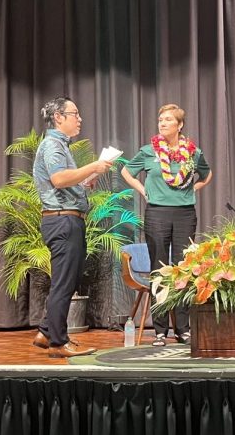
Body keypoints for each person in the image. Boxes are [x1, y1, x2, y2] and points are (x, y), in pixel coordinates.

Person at [121, 104, 212, 345]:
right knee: (159, 269)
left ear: (179, 125)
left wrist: (194, 188)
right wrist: (143, 190)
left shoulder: (193, 152)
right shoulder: (149, 151)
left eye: (168, 119)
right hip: (157, 214)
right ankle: (160, 330)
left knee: (183, 269)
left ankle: (183, 329)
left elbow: (206, 173)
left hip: (184, 214)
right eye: (160, 119)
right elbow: (126, 172)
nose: (162, 123)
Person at [30, 97, 113, 358]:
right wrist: (93, 166)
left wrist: (86, 181)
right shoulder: (53, 145)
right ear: (58, 117)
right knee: (64, 282)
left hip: (68, 218)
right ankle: (57, 342)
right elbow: (59, 178)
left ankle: (46, 331)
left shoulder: (60, 146)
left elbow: (66, 182)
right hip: (62, 220)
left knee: (70, 279)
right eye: (74, 113)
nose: (80, 118)